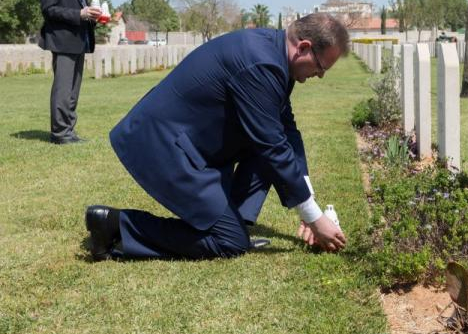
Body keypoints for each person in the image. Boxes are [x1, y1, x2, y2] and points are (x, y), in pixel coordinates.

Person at [85, 13, 349, 260]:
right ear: (303, 48)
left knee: (265, 149)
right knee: (230, 242)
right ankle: (115, 225)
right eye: (321, 66)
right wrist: (314, 217)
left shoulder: (274, 55)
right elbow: (272, 145)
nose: (321, 75)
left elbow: (286, 132)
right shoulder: (262, 64)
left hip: (188, 140)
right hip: (165, 146)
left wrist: (309, 203)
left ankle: (236, 222)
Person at [38, 0, 101, 144]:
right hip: (63, 41)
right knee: (63, 89)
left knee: (73, 91)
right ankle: (60, 133)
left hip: (79, 41)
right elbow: (49, 10)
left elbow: (78, 8)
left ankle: (69, 131)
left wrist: (92, 17)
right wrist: (80, 14)